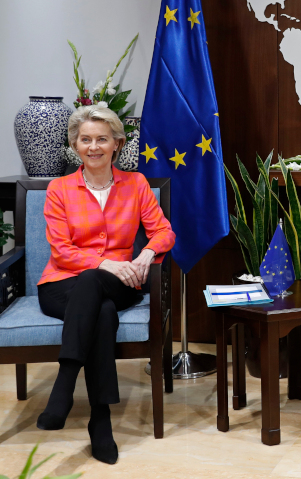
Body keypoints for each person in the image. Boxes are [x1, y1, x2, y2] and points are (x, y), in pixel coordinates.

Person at [35, 105, 175, 465]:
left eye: (102, 139)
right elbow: (62, 250)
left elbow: (163, 231)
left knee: (98, 285)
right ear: (75, 146)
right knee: (102, 309)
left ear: (117, 144)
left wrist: (145, 256)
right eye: (85, 140)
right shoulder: (59, 189)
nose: (93, 146)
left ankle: (64, 386)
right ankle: (101, 421)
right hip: (60, 285)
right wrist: (105, 263)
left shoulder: (136, 184)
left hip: (120, 282)